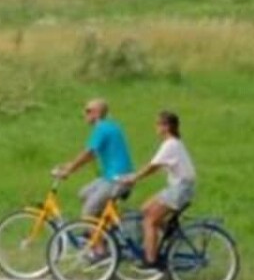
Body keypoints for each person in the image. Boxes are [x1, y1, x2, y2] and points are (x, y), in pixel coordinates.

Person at [52, 98, 134, 256]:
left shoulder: (102, 128)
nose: (85, 114)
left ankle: (100, 252)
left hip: (118, 179)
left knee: (88, 211)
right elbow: (91, 155)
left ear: (97, 113)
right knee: (84, 193)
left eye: (88, 111)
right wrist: (69, 166)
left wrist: (69, 171)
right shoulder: (109, 126)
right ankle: (100, 233)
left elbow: (88, 153)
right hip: (112, 177)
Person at [121, 109, 197, 269]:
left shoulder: (170, 144)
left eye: (158, 124)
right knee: (145, 209)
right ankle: (169, 234)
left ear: (167, 126)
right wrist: (135, 177)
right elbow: (155, 167)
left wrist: (134, 178)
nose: (156, 127)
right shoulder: (173, 143)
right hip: (179, 187)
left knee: (150, 220)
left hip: (180, 188)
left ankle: (150, 259)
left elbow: (153, 166)